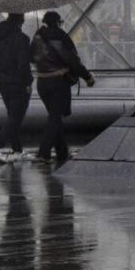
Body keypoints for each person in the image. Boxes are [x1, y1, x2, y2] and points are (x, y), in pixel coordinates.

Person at [27, 11, 94, 168]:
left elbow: (30, 58)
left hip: (42, 82)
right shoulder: (60, 36)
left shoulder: (37, 37)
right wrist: (87, 77)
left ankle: (62, 152)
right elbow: (73, 61)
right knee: (55, 118)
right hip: (58, 81)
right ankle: (43, 154)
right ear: (58, 22)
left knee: (53, 116)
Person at [0, 13, 34, 164]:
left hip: (3, 83)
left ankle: (18, 151)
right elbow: (23, 64)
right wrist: (28, 82)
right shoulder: (22, 38)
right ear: (20, 21)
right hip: (19, 84)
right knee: (16, 117)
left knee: (12, 116)